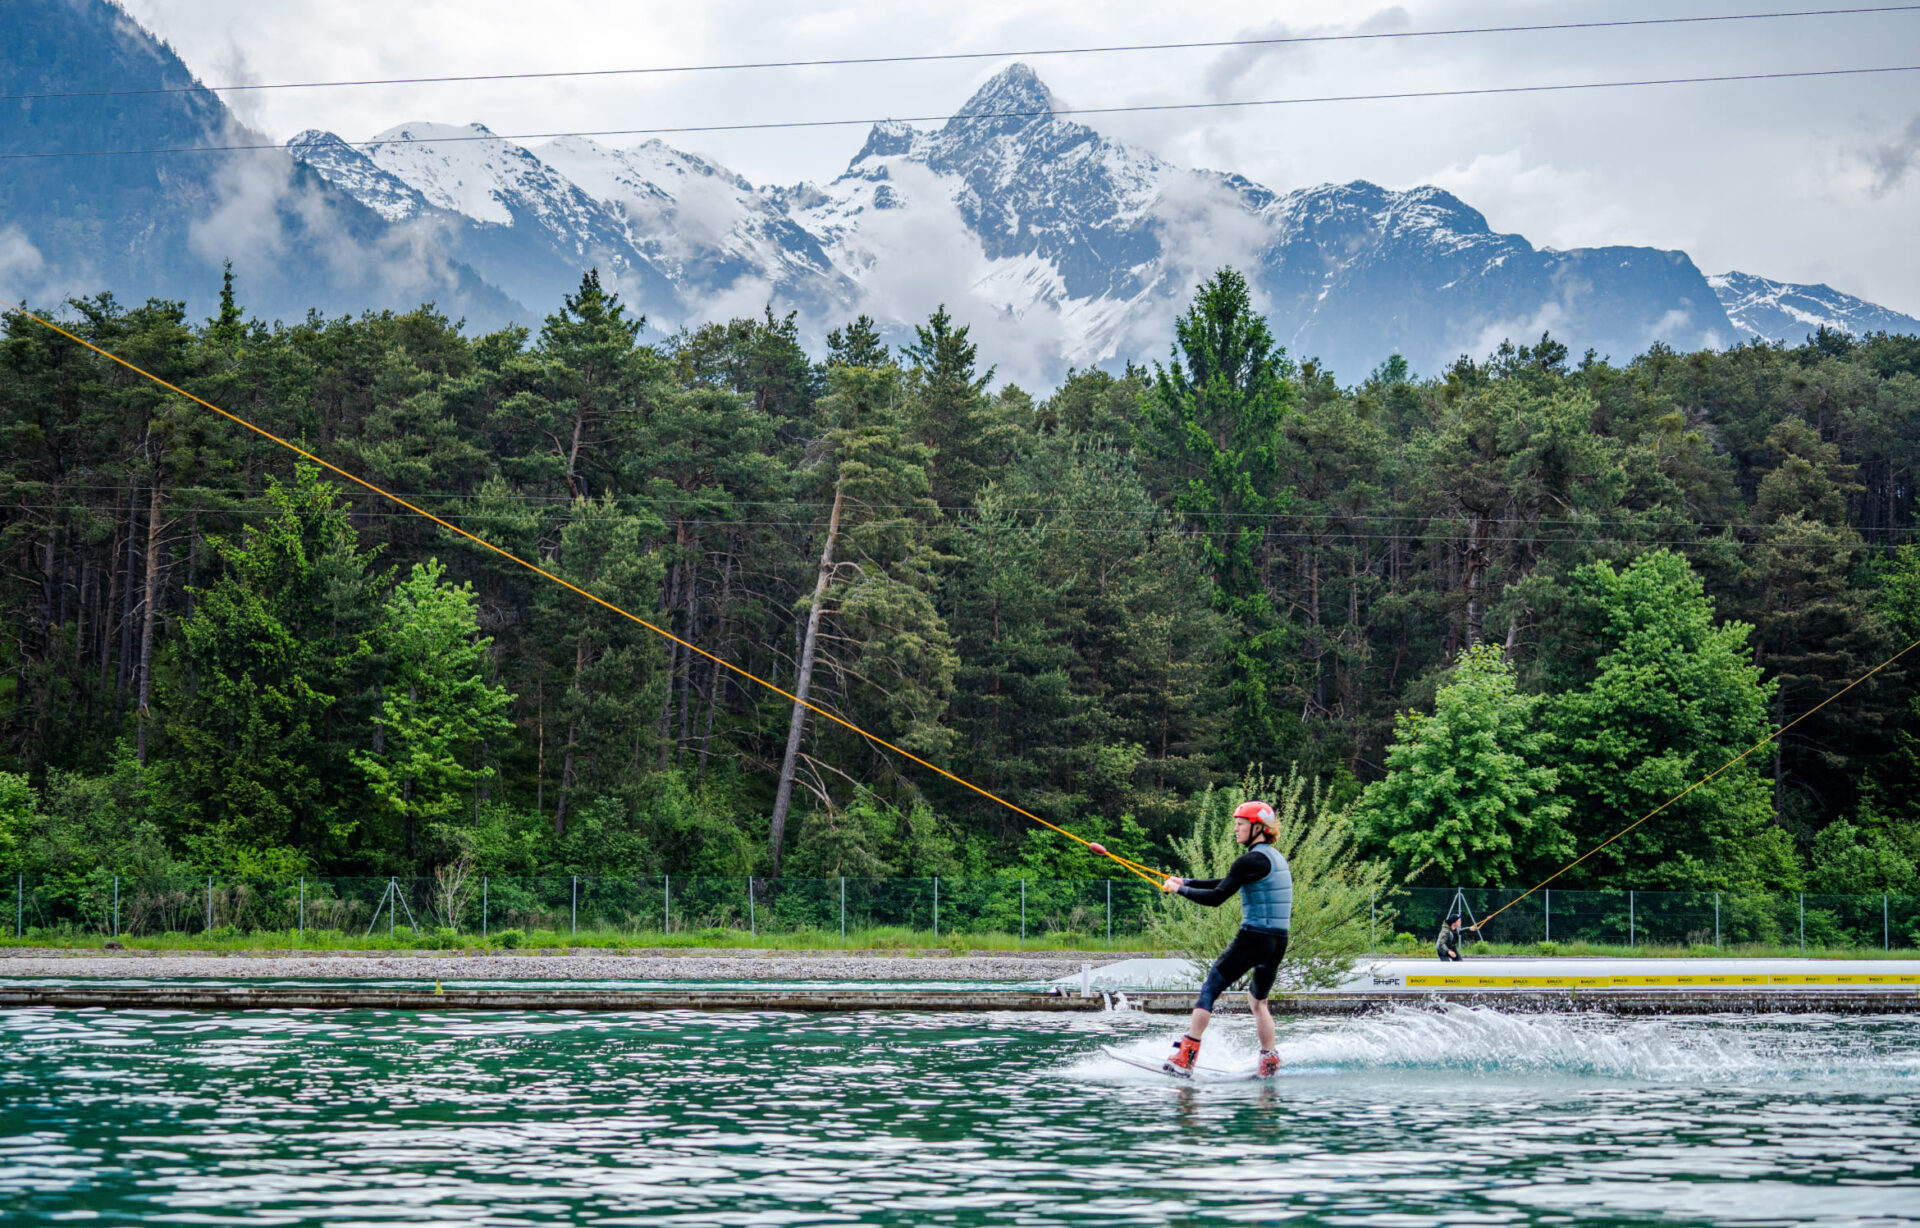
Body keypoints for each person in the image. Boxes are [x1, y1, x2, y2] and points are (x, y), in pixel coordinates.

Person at [1159, 799, 1291, 1079]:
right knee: (1258, 1002)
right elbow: (1226, 881)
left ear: (1258, 828)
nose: (1236, 829)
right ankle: (1269, 1060)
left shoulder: (1248, 860)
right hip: (1277, 942)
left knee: (1210, 988)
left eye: (1241, 824)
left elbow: (1218, 897)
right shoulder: (1273, 859)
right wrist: (1187, 882)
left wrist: (1178, 891)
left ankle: (1186, 1056)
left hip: (1253, 936)